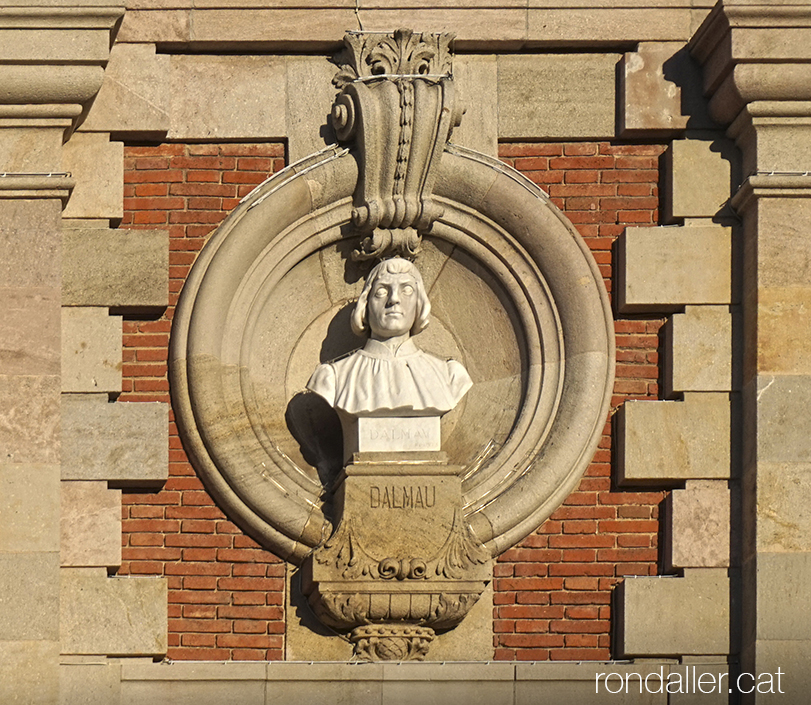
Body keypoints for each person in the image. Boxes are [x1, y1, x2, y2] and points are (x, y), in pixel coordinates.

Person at [307, 257, 472, 416]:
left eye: (407, 290)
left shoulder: (450, 375)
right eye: (382, 291)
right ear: (366, 305)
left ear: (419, 303)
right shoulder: (333, 378)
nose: (394, 299)